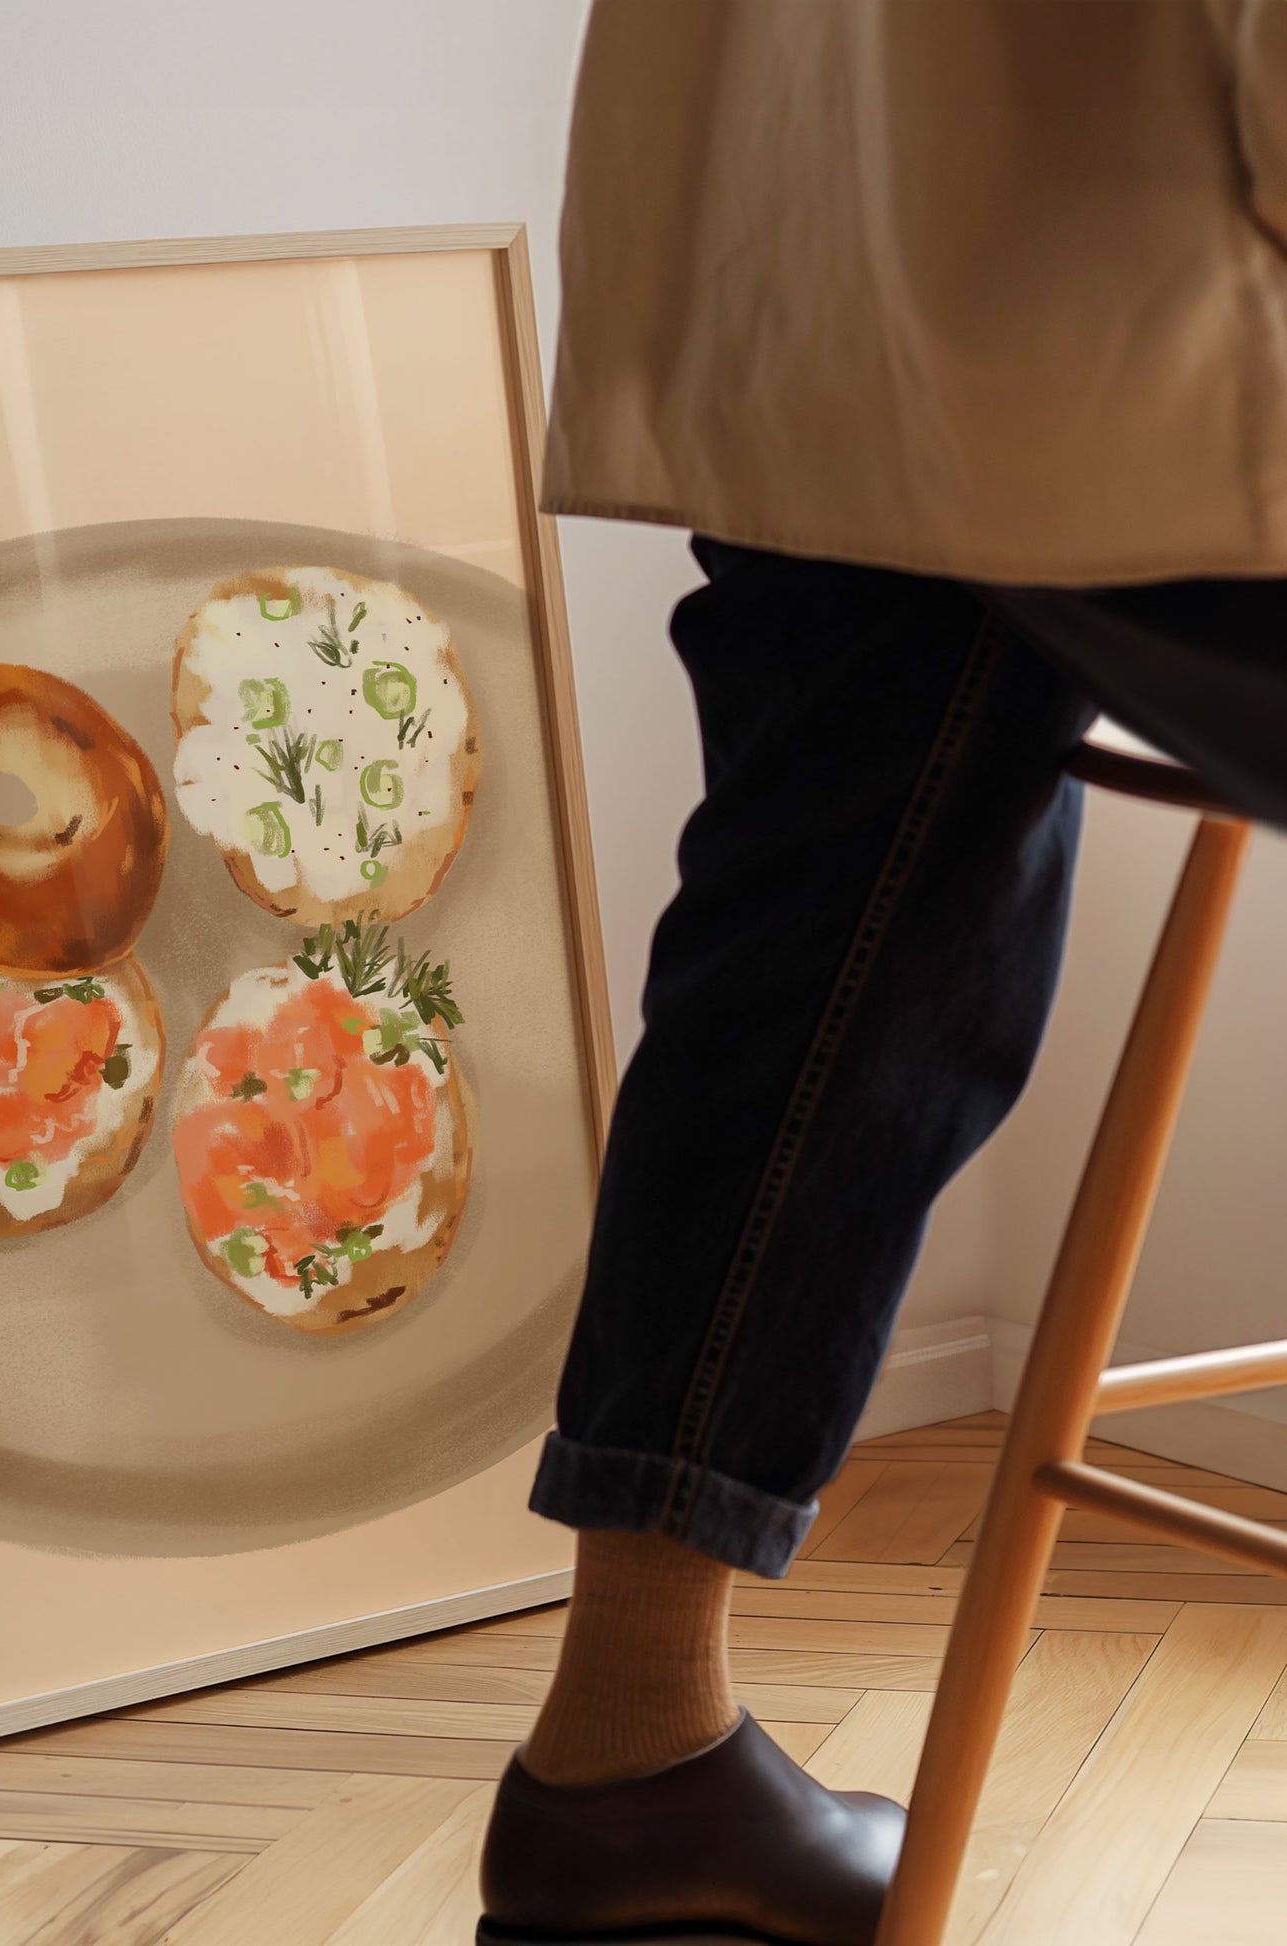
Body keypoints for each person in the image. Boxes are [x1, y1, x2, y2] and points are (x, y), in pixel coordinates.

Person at [476, 6, 1287, 1943]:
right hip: (1190, 372)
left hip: (837, 296)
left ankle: (630, 1751)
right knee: (844, 844)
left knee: (828, 876)